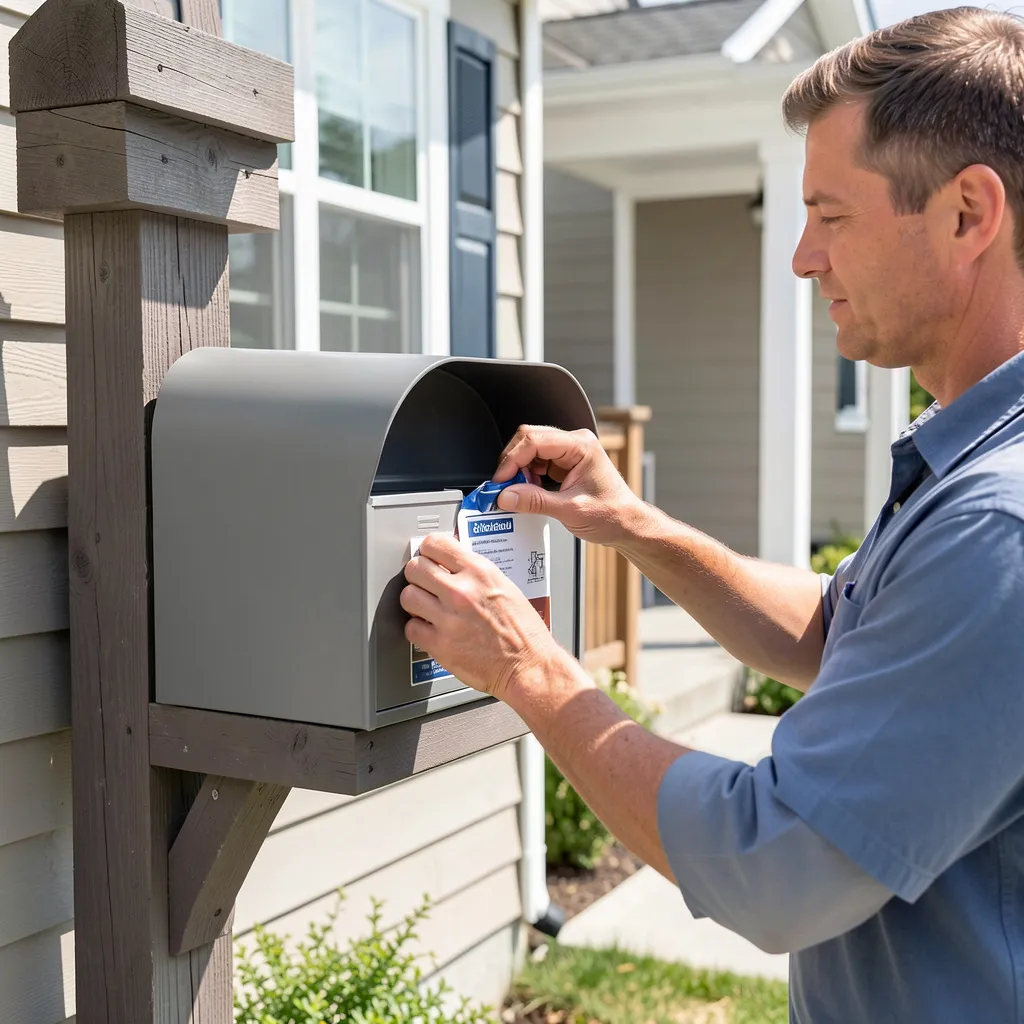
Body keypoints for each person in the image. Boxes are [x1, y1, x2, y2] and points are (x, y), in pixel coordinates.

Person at [402, 7, 1024, 1022]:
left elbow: (776, 863)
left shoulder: (1000, 521)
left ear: (968, 214)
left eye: (830, 216)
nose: (803, 258)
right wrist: (632, 525)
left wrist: (527, 669)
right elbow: (835, 631)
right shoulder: (973, 464)